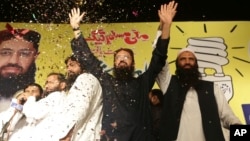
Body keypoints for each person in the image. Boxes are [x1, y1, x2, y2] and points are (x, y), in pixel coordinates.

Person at [68, 1, 177, 140]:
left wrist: (166, 26)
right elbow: (88, 59)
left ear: (133, 63)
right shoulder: (106, 81)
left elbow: (159, 57)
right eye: (118, 57)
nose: (122, 59)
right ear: (114, 63)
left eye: (126, 57)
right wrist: (76, 29)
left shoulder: (143, 83)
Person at [9, 54, 103, 141]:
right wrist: (15, 103)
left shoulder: (82, 80)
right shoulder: (88, 81)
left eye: (72, 65)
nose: (68, 69)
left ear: (63, 85)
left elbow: (78, 111)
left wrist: (65, 136)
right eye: (67, 66)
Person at [156, 47, 242, 140]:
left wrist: (238, 127)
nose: (187, 62)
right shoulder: (169, 83)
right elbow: (160, 61)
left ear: (196, 63)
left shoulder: (212, 88)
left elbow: (226, 114)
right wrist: (162, 38)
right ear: (177, 63)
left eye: (191, 59)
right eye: (183, 59)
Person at [0, 23, 41, 109]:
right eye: (5, 53)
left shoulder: (40, 100)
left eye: (24, 54)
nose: (13, 61)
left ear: (35, 56)